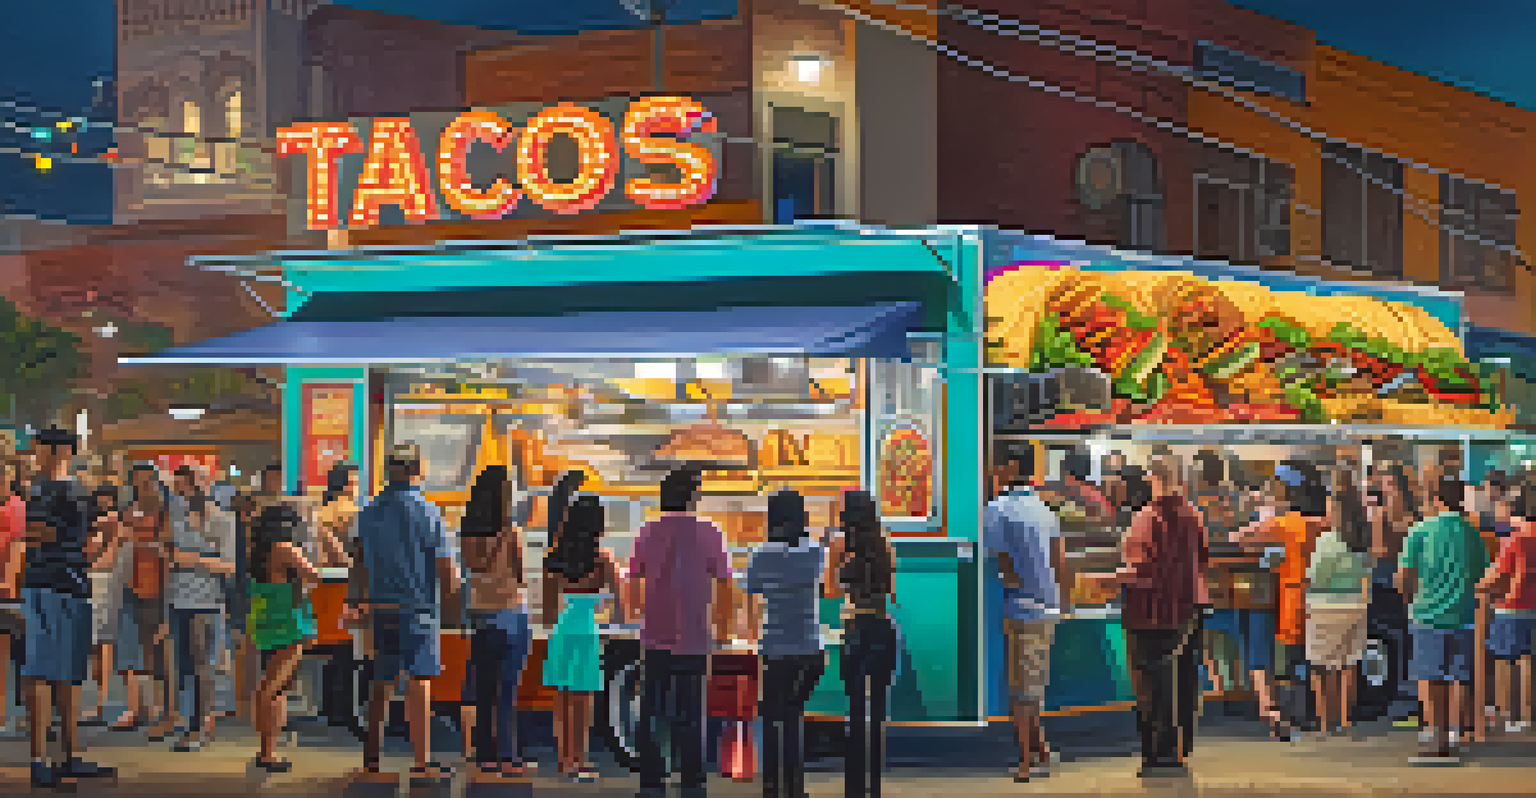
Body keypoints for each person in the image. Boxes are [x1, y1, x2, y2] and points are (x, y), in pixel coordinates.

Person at [1086, 455, 1208, 777]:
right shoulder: (1193, 516)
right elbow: (1201, 559)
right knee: (1179, 681)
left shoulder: (1147, 518)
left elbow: (1141, 570)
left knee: (1150, 686)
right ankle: (1179, 750)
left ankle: (1159, 755)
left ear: (1154, 479)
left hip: (1149, 613)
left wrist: (1107, 579)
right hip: (1185, 610)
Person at [349, 444, 462, 783]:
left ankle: (372, 758)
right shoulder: (427, 511)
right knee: (419, 681)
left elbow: (358, 561)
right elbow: (446, 568)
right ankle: (420, 760)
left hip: (381, 607)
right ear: (417, 469)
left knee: (381, 681)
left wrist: (356, 601)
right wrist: (455, 605)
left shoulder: (369, 512)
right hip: (418, 608)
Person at [19, 427, 115, 788]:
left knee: (55, 672)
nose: (33, 455)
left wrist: (21, 531)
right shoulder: (61, 490)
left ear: (59, 452)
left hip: (53, 584)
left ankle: (55, 757)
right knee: (53, 672)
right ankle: (50, 758)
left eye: (38, 450)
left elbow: (39, 530)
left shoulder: (53, 490)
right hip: (62, 584)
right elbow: (89, 533)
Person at [630, 467, 729, 798]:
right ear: (692, 496)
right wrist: (724, 629)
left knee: (652, 710)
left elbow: (634, 577)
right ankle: (692, 779)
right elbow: (726, 581)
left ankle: (651, 778)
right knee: (691, 712)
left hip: (654, 633)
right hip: (695, 635)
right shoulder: (709, 531)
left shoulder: (648, 530)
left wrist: (633, 616)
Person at [983, 451, 1065, 782]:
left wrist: (1012, 583)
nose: (993, 469)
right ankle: (1040, 750)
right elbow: (1060, 559)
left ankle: (1025, 762)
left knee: (1022, 691)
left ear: (1011, 468)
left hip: (1020, 607)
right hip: (1047, 607)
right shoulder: (1045, 509)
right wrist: (1062, 601)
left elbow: (1001, 562)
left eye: (998, 464)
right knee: (1032, 684)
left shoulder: (998, 509)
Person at [1398, 475, 1488, 763]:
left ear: (1436, 499)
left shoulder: (1421, 530)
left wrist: (1410, 598)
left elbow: (1404, 575)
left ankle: (1436, 737)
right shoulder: (1473, 533)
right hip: (1463, 613)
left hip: (1427, 613)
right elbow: (1482, 574)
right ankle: (1454, 734)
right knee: (1458, 676)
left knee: (1430, 676)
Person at [744, 490, 828, 798]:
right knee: (794, 716)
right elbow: (824, 588)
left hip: (775, 647)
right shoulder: (816, 553)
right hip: (809, 648)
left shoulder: (761, 554)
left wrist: (753, 636)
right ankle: (795, 788)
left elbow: (751, 599)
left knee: (770, 718)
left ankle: (770, 786)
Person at [460, 465, 534, 778]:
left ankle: (484, 756)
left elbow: (472, 568)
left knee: (484, 690)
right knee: (507, 691)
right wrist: (503, 540)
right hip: (510, 614)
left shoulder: (467, 529)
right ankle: (508, 757)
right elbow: (520, 575)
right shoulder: (511, 530)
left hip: (480, 614)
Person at [826, 490, 899, 798]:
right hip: (882, 627)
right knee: (878, 713)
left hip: (854, 627)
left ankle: (853, 788)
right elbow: (892, 591)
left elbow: (829, 589)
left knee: (855, 712)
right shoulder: (885, 541)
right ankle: (876, 787)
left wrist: (845, 584)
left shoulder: (840, 543)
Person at [542, 492, 621, 782]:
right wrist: (608, 617)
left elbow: (548, 609)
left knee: (561, 696)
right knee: (582, 698)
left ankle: (564, 759)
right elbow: (620, 603)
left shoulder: (553, 556)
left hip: (563, 628)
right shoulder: (603, 558)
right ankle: (579, 761)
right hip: (587, 628)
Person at [167, 465, 235, 752]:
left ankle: (199, 726)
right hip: (176, 598)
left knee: (201, 665)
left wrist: (190, 559)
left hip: (205, 600)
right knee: (182, 666)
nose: (183, 494)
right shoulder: (175, 519)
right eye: (178, 488)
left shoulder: (221, 519)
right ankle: (190, 723)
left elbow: (230, 565)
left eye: (187, 487)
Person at [247, 502, 320, 771]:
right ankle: (267, 754)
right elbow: (314, 574)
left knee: (274, 689)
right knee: (273, 689)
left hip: (266, 622)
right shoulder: (284, 549)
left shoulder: (258, 551)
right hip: (287, 624)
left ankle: (268, 750)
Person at [1305, 470, 1373, 737]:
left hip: (1325, 606)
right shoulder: (1362, 540)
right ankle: (1345, 721)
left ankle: (1326, 722)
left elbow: (1316, 576)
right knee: (1348, 664)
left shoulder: (1327, 540)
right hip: (1356, 603)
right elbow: (1368, 570)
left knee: (1322, 667)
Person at [112, 463, 178, 739]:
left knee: (161, 651)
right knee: (134, 650)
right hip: (131, 583)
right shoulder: (128, 511)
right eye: (138, 482)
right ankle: (142, 709)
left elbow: (171, 549)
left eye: (147, 481)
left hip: (159, 587)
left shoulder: (168, 512)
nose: (143, 487)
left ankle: (167, 713)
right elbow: (120, 541)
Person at [1476, 479, 1536, 734]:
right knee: (1527, 659)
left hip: (1511, 604)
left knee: (1504, 659)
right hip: (1533, 605)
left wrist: (1479, 585)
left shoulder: (1514, 538)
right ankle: (1528, 716)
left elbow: (1499, 574)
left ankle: (1508, 715)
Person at [312, 463, 363, 738]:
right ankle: (345, 711)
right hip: (347, 587)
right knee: (350, 652)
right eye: (354, 481)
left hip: (321, 588)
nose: (357, 487)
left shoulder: (318, 513)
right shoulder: (354, 513)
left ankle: (329, 708)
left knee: (332, 651)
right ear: (345, 484)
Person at [81, 486, 124, 727]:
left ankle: (102, 702)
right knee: (97, 644)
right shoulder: (95, 525)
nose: (103, 503)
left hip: (105, 583)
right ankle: (98, 702)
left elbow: (107, 557)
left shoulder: (114, 524)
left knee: (103, 643)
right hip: (95, 582)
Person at [0, 460, 29, 732]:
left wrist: (9, 581)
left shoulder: (16, 508)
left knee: (16, 651)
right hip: (9, 590)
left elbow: (19, 546)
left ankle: (20, 711)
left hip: (13, 593)